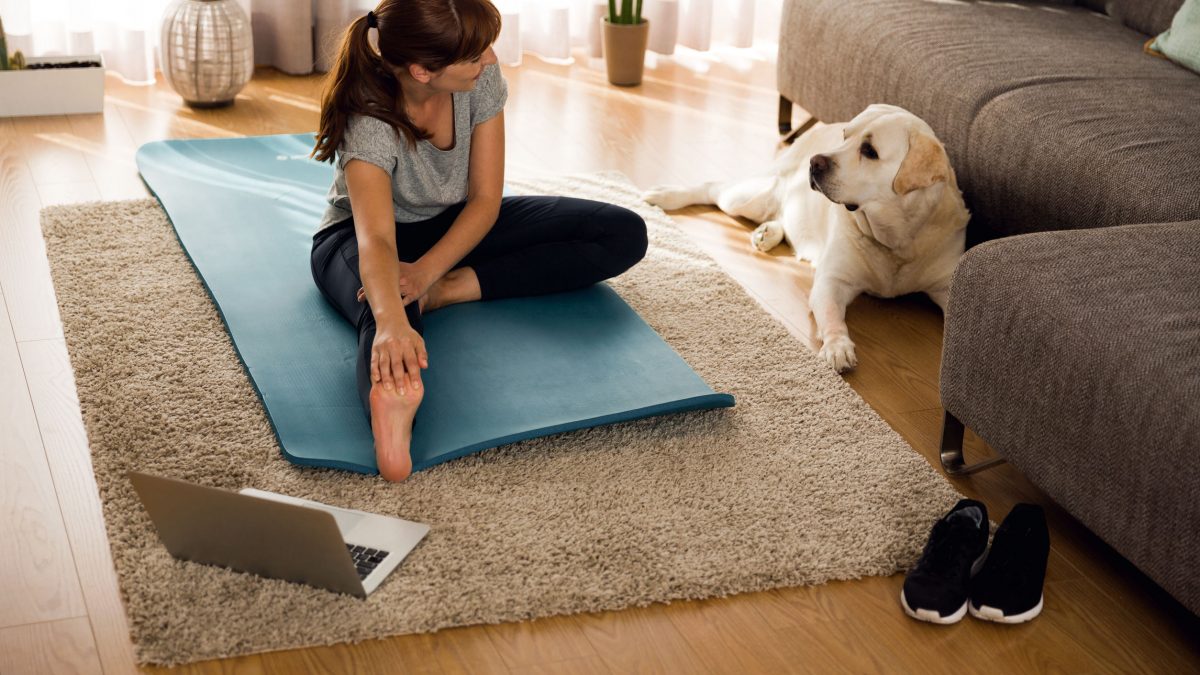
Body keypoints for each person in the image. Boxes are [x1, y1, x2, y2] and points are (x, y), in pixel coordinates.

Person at [309, 0, 648, 481]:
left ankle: (451, 290)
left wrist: (428, 275)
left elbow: (486, 200)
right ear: (423, 71)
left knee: (621, 231)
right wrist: (390, 319)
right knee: (385, 310)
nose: (490, 59)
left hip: (456, 224)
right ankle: (392, 407)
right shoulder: (369, 119)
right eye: (474, 55)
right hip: (358, 237)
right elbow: (379, 239)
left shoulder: (479, 80)